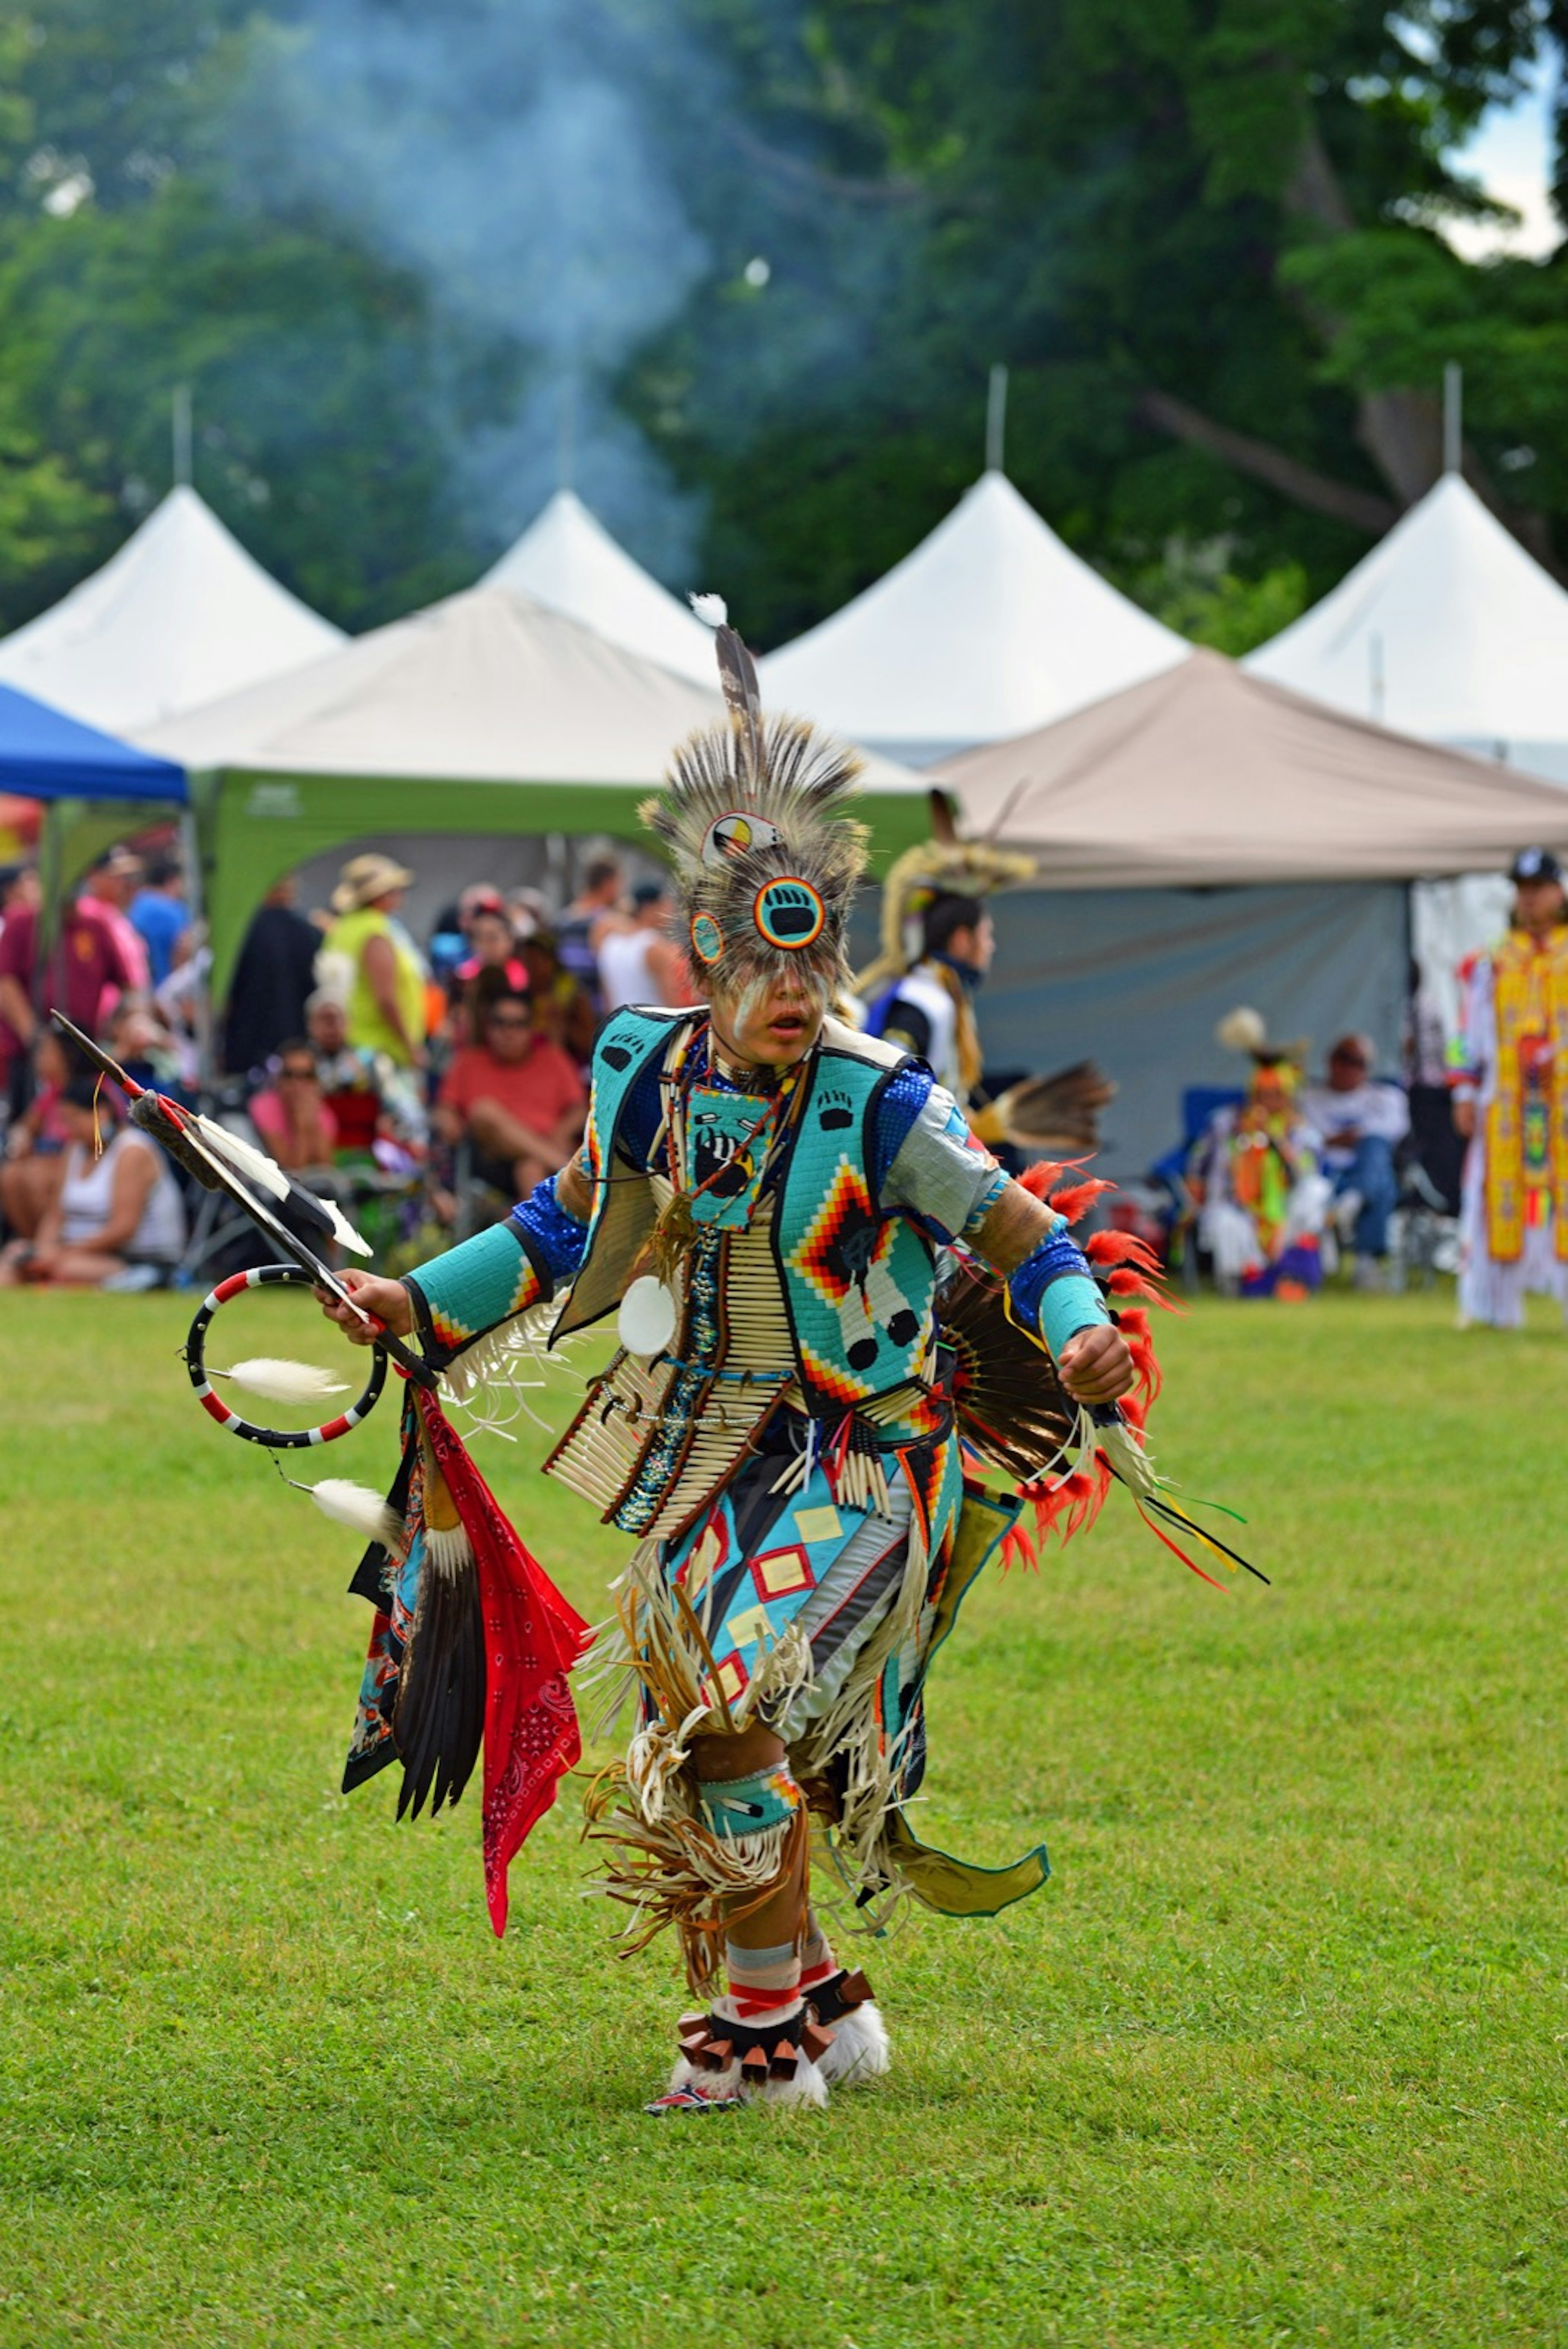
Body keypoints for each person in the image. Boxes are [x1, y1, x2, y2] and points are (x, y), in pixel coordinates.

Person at [316, 619, 1157, 2117]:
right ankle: (818, 1990)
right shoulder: (639, 1064)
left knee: (731, 1701)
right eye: (766, 960)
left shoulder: (878, 1100)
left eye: (816, 958)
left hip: (867, 1452)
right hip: (708, 1443)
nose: (796, 988)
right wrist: (416, 1306)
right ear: (707, 955)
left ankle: (759, 2032)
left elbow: (1023, 1229)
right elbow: (561, 1219)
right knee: (715, 1718)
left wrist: (1080, 1323)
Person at [1451, 846, 1568, 1329]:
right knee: (1496, 1195)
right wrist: (1463, 1090)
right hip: (1505, 1101)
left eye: (1539, 889)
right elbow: (1468, 1031)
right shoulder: (1494, 961)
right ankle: (1495, 1305)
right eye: (1523, 890)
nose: (1530, 900)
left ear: (1560, 892)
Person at [1192, 1008, 1330, 1298]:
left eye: (1276, 1095)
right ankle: (1248, 1282)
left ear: (1289, 1097)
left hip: (1285, 1218)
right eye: (1262, 1094)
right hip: (1236, 1209)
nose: (1268, 1102)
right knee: (1224, 1220)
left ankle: (1292, 1274)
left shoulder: (1303, 1133)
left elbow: (1305, 1176)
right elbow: (1197, 1168)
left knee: (1317, 1190)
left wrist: (1277, 1139)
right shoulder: (1225, 1123)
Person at [0, 1074, 185, 1288]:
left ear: (102, 1114)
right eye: (65, 1121)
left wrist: (64, 1253)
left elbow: (123, 1228)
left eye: (75, 1119)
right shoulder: (74, 1151)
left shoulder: (132, 1151)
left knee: (66, 1269)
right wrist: (42, 1250)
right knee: (12, 1261)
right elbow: (55, 1215)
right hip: (78, 1253)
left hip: (139, 1259)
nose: (68, 1129)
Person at [0, 886, 136, 1119]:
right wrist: (35, 1037)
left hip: (84, 1053)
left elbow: (130, 987)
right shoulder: (22, 923)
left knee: (87, 1119)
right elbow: (5, 982)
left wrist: (124, 1027)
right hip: (28, 1055)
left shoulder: (97, 923)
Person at [434, 989, 586, 1197]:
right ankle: (574, 1174)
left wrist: (559, 1134)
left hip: (544, 1151)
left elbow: (579, 1110)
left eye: (519, 1024)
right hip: (492, 1160)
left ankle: (539, 1229)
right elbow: (445, 1109)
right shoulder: (468, 1062)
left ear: (531, 1028)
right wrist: (448, 1121)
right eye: (500, 1023)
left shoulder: (553, 1059)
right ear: (488, 1026)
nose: (509, 1032)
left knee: (529, 1169)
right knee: (484, 1111)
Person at [1301, 1034, 1410, 1289]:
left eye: (1359, 1063)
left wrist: (1354, 1138)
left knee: (1375, 1150)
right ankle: (1366, 1260)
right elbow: (1303, 1138)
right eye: (1345, 1060)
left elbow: (1395, 1132)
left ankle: (1354, 1200)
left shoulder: (1387, 1097)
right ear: (1331, 1062)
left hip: (1368, 1166)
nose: (1351, 1068)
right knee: (1383, 1185)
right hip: (1324, 1172)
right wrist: (1336, 1141)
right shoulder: (1309, 1097)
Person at [322, 855, 427, 1072]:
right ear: (380, 895)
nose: (401, 895)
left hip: (354, 1046)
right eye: (395, 889)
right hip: (380, 1053)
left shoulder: (343, 927)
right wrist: (410, 1047)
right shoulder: (375, 932)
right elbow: (386, 999)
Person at [223, 877, 322, 1077]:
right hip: (297, 1048)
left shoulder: (240, 932)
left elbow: (226, 995)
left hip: (248, 1048)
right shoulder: (310, 932)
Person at [596, 879, 690, 1011]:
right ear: (649, 908)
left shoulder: (611, 943)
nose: (669, 910)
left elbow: (607, 996)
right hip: (653, 1026)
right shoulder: (654, 946)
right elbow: (673, 1003)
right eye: (663, 905)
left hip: (617, 1023)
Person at [248, 1042, 340, 1173]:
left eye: (307, 1075)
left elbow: (325, 1170)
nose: (298, 1084)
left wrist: (311, 1125)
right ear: (279, 1080)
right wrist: (301, 1129)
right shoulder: (263, 1107)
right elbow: (292, 1173)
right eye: (290, 1075)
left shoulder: (325, 1114)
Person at [555, 853, 624, 1017]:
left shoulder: (563, 919)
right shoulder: (609, 922)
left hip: (567, 1009)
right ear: (609, 884)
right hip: (596, 1011)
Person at [77, 846, 151, 996]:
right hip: (110, 1007)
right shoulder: (87, 914)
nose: (121, 882)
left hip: (132, 1002)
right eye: (114, 876)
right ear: (94, 876)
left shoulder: (116, 913)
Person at [129, 851, 191, 988]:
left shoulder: (134, 905)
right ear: (171, 881)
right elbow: (184, 952)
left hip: (139, 992)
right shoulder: (175, 911)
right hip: (167, 993)